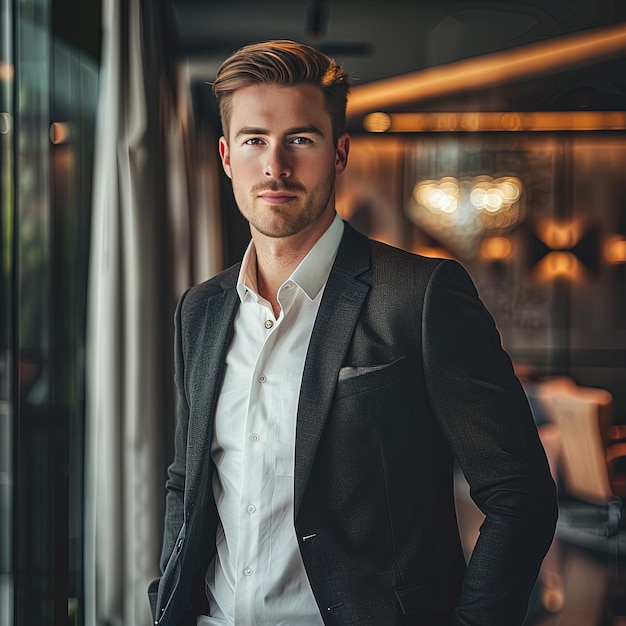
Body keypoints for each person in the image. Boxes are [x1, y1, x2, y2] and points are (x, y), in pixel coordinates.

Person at [148, 40, 557, 626]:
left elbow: (520, 496)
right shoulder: (201, 310)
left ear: (340, 152)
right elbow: (186, 479)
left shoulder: (419, 297)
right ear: (225, 156)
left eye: (301, 139)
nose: (275, 167)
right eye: (254, 140)